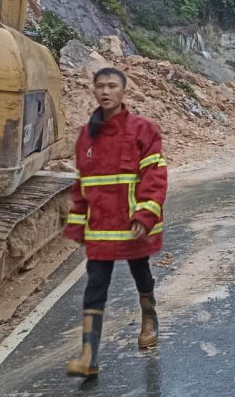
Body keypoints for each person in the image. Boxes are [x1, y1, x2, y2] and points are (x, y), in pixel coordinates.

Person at [64, 68, 168, 379]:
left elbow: (155, 176)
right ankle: (88, 355)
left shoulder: (143, 130)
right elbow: (82, 183)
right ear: (93, 91)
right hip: (100, 227)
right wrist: (77, 224)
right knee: (95, 285)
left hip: (132, 224)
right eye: (100, 86)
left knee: (141, 273)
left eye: (112, 86)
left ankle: (149, 318)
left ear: (124, 91)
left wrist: (145, 214)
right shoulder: (86, 136)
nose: (105, 91)